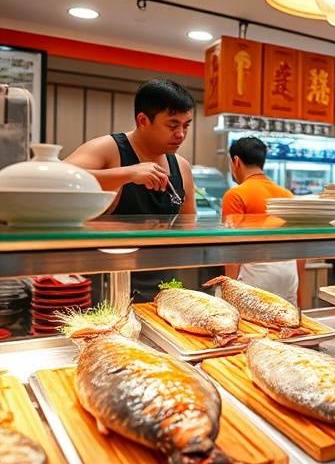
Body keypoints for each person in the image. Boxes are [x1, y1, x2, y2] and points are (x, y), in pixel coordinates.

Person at [65, 78, 197, 302]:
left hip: (162, 285)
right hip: (107, 283)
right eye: (172, 125)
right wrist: (128, 173)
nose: (181, 134)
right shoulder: (108, 149)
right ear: (143, 120)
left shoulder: (181, 167)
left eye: (186, 125)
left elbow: (188, 225)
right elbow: (58, 180)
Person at [222, 136, 304, 308]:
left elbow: (233, 247)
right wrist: (299, 291)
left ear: (236, 161)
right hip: (287, 275)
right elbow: (299, 247)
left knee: (251, 330)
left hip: (256, 276)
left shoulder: (235, 195)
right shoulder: (287, 195)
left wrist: (228, 289)